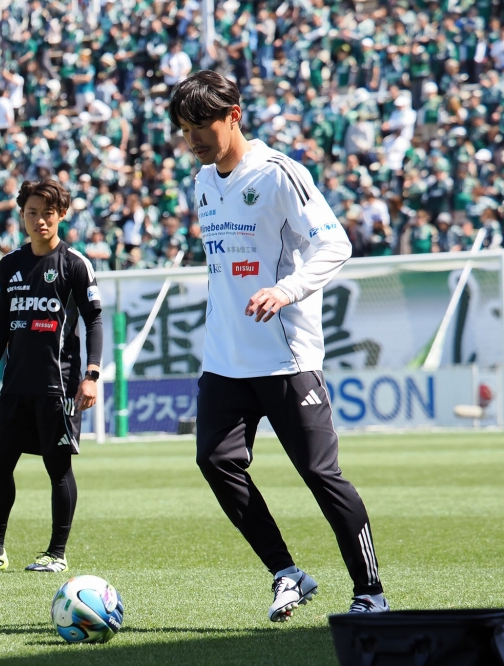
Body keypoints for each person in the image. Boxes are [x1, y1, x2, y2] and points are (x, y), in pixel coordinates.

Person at [168, 71, 388, 620]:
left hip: (286, 358)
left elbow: (335, 244)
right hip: (224, 360)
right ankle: (287, 573)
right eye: (185, 129)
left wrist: (285, 290)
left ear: (234, 116)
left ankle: (370, 592)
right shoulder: (202, 182)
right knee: (214, 461)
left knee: (319, 474)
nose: (193, 139)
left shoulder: (279, 173)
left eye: (202, 126)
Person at [0, 178, 102, 574]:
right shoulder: (9, 265)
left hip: (59, 385)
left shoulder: (74, 264)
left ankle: (56, 553)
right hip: (16, 384)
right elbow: (0, 323)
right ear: (21, 215)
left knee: (57, 468)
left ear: (62, 215)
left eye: (48, 213)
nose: (40, 220)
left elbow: (94, 321)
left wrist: (91, 374)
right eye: (32, 213)